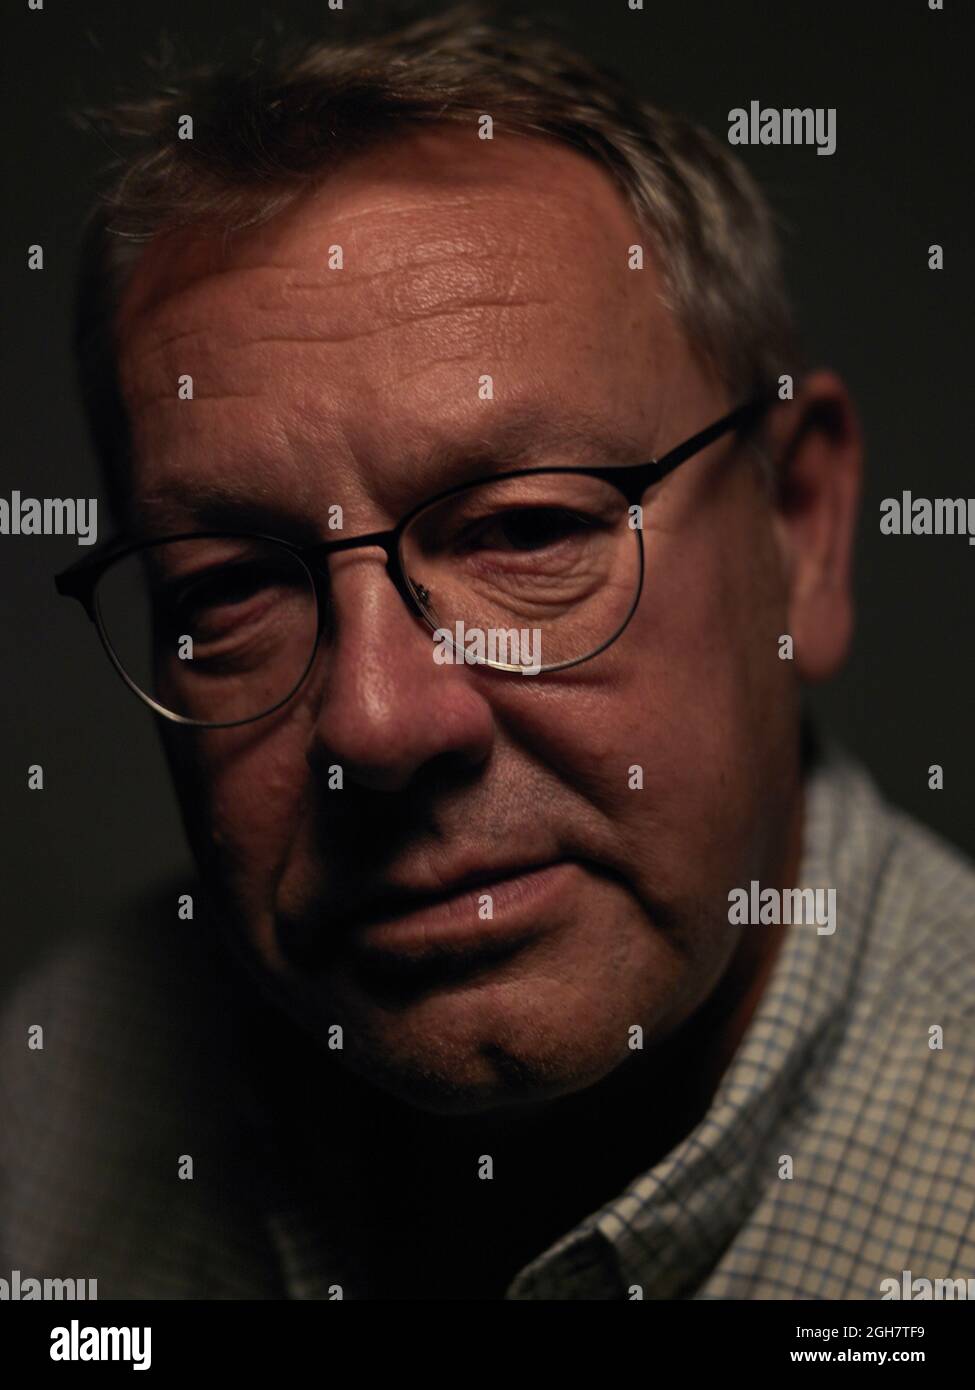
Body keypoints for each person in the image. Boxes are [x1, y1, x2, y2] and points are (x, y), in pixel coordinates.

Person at [2, 3, 972, 1301]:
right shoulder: (53, 1098)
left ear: (802, 529)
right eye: (232, 589)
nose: (376, 720)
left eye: (524, 529)